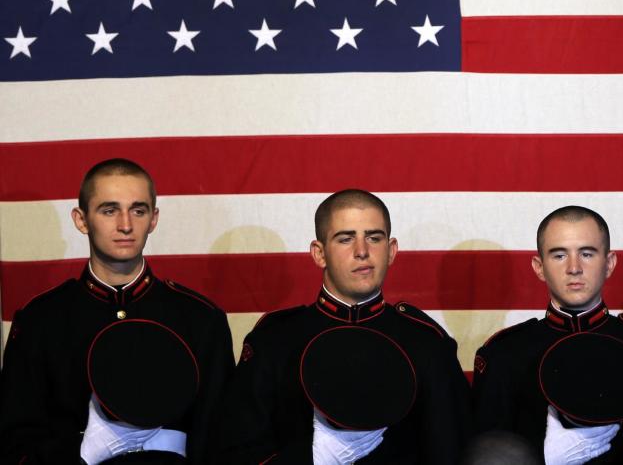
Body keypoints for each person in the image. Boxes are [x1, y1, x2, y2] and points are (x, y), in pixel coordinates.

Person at [0, 158, 235, 464]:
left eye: (138, 210)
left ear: (153, 219)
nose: (125, 225)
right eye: (109, 210)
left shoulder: (200, 319)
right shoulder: (40, 321)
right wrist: (82, 451)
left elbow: (223, 438)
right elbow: (13, 441)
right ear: (81, 220)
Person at [215, 189, 471, 464]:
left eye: (374, 238)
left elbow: (452, 449)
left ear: (392, 250)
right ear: (319, 254)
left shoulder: (426, 342)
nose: (362, 252)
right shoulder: (276, 340)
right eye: (346, 239)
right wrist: (314, 458)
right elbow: (236, 451)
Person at [472, 206, 623, 464]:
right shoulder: (504, 355)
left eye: (587, 253)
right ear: (539, 267)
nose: (574, 268)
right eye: (559, 255)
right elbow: (486, 454)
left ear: (609, 264)